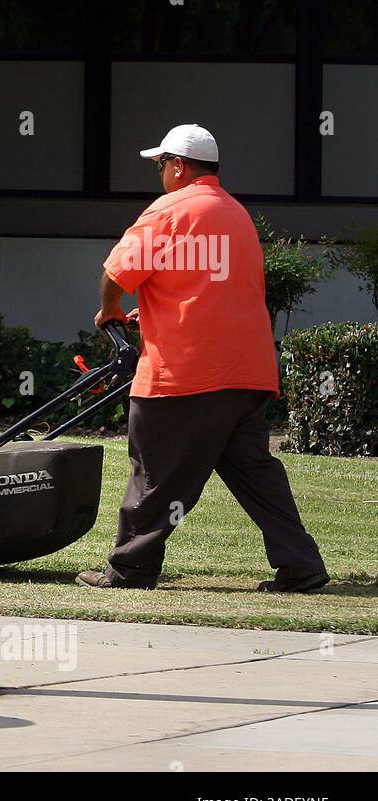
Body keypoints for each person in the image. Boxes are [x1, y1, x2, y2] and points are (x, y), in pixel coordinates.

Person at [78, 124, 329, 594]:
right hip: (247, 373)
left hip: (185, 375)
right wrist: (155, 308)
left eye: (160, 165)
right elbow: (213, 286)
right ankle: (302, 567)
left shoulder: (169, 211)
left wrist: (110, 309)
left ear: (178, 165)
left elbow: (117, 271)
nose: (159, 174)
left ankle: (131, 568)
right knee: (258, 477)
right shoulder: (237, 215)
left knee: (153, 472)